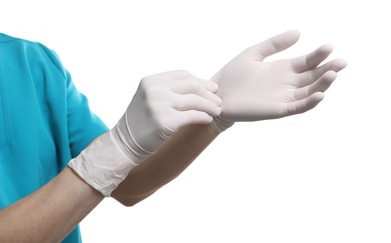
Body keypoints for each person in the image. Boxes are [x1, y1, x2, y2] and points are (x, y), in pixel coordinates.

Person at [0, 30, 346, 242]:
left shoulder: (34, 63)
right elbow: (102, 168)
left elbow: (125, 183)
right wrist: (116, 148)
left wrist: (215, 112)